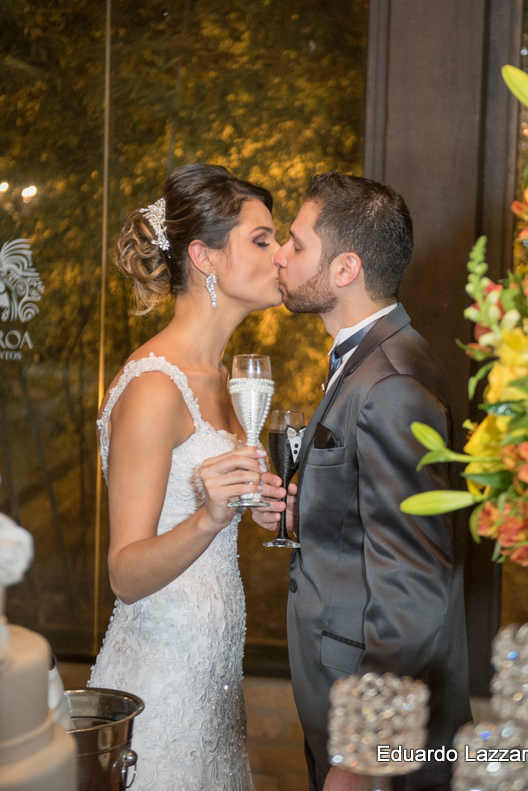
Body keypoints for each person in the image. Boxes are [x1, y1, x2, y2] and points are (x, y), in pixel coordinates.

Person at [253, 172, 472, 791]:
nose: (282, 257)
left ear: (345, 268)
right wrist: (308, 513)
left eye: (296, 244)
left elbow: (413, 585)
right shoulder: (372, 357)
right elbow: (376, 519)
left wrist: (359, 750)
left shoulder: (391, 383)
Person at [90, 163, 282, 790]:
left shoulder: (223, 381)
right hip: (162, 677)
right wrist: (209, 515)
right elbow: (125, 573)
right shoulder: (154, 386)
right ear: (205, 256)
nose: (280, 253)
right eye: (261, 239)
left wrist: (259, 504)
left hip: (216, 675)